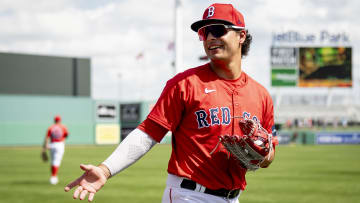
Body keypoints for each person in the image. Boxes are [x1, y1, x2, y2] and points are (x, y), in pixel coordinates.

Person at [64, 3, 278, 202]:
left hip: (233, 197)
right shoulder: (185, 84)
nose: (210, 37)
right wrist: (105, 169)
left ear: (241, 36)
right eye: (204, 32)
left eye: (218, 30)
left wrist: (262, 154)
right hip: (189, 195)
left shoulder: (261, 95)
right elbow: (148, 133)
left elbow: (269, 155)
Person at [43, 115, 69, 185]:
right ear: (60, 120)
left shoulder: (51, 127)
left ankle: (53, 176)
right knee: (56, 161)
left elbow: (46, 138)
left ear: (54, 120)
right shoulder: (63, 127)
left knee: (53, 161)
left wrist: (44, 148)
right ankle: (53, 177)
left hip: (52, 145)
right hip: (59, 145)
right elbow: (66, 135)